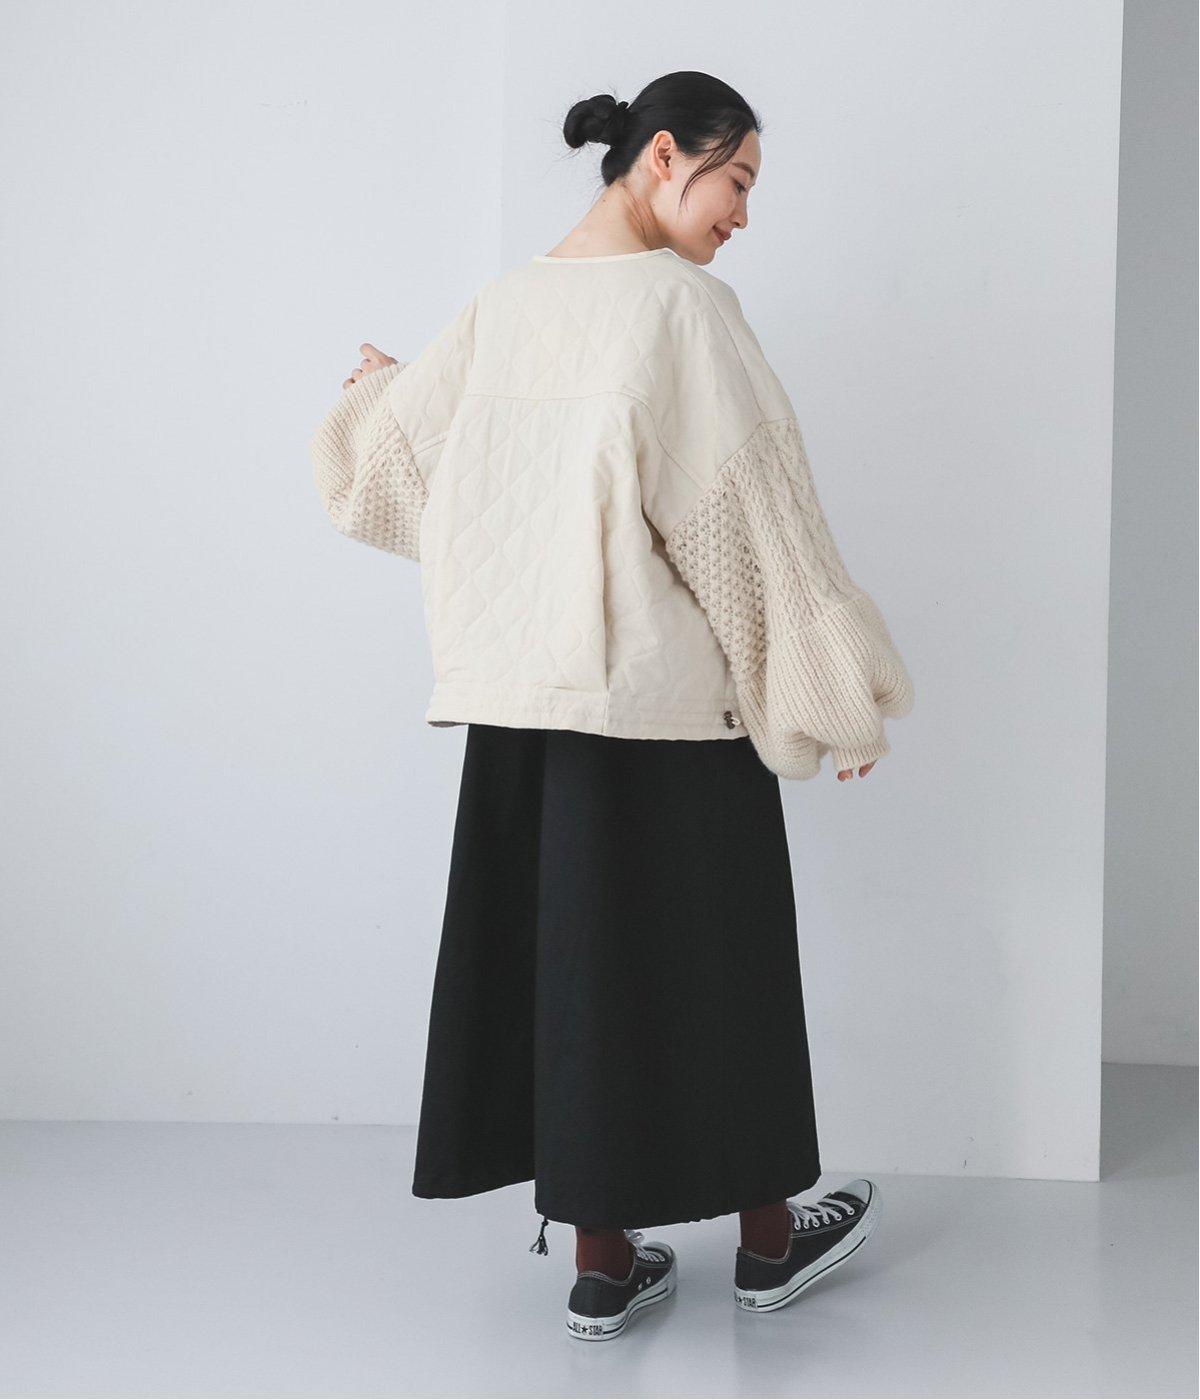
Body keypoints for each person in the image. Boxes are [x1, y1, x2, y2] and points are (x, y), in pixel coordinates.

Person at [309, 70, 913, 1342]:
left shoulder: (505, 304)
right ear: (663, 157)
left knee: (575, 975)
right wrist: (831, 688)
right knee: (720, 965)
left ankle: (601, 1266)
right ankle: (767, 1245)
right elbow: (753, 515)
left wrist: (382, 388)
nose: (742, 213)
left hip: (525, 713)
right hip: (662, 707)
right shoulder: (683, 309)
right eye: (735, 179)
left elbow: (410, 479)